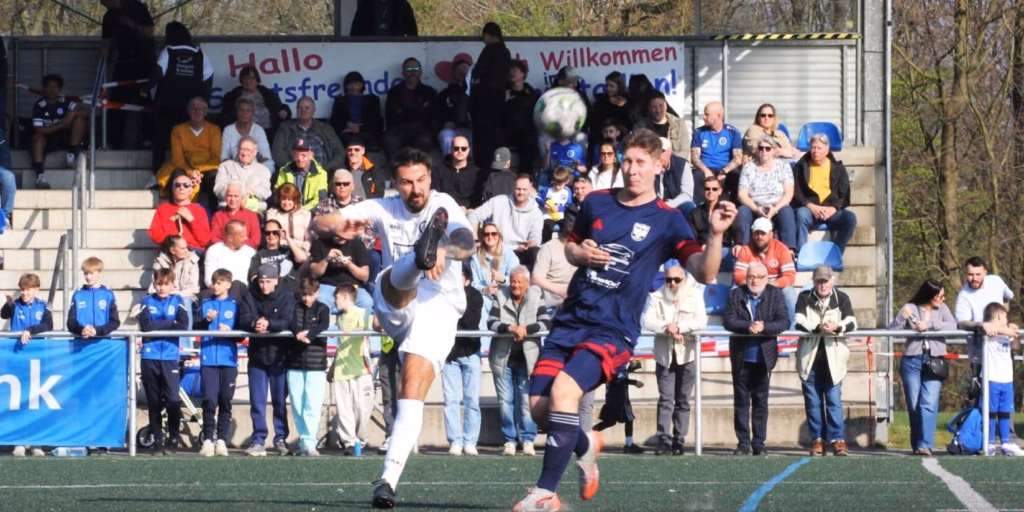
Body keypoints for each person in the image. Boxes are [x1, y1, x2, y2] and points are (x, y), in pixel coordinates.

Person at [512, 128, 735, 511]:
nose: (632, 169)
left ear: (659, 165)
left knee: (565, 392)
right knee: (540, 410)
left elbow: (705, 272)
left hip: (612, 328)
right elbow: (571, 247)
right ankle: (587, 444)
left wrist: (715, 235)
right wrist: (581, 254)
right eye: (627, 160)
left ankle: (545, 493)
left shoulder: (668, 220)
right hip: (571, 319)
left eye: (640, 162)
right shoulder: (596, 202)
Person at [309, 147, 477, 508]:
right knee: (390, 278)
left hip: (439, 306)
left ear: (430, 178)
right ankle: (418, 258)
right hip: (396, 302)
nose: (415, 189)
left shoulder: (444, 204)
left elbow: (467, 241)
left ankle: (387, 481)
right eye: (406, 182)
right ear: (395, 184)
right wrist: (333, 227)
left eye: (421, 180)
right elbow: (320, 223)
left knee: (411, 384)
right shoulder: (382, 207)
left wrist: (444, 251)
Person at [723, 262, 788, 456]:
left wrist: (764, 327)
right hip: (741, 357)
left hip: (764, 358)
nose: (755, 280)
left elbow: (784, 321)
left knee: (761, 402)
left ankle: (759, 442)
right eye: (751, 276)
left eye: (760, 277)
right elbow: (728, 320)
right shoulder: (736, 294)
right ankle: (743, 443)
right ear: (746, 277)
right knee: (741, 403)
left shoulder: (775, 295)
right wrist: (748, 326)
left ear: (767, 278)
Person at [641, 265, 707, 456]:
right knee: (666, 399)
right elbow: (647, 321)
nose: (672, 283)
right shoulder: (656, 296)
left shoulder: (695, 296)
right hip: (665, 356)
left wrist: (678, 327)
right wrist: (667, 327)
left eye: (676, 280)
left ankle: (679, 439)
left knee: (683, 400)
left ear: (684, 280)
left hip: (688, 355)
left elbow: (701, 322)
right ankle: (663, 439)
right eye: (668, 279)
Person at [794, 264, 857, 457]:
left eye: (826, 281)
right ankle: (817, 440)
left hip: (834, 362)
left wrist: (837, 327)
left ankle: (838, 440)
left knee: (833, 402)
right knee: (813, 403)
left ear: (832, 281)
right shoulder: (804, 297)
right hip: (809, 360)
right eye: (819, 281)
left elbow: (852, 323)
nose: (822, 284)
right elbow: (799, 321)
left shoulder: (842, 298)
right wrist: (818, 327)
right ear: (813, 281)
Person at [888, 279, 956, 456]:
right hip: (912, 361)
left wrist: (930, 325)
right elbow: (892, 330)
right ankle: (917, 442)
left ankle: (925, 445)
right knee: (914, 404)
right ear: (929, 295)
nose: (943, 299)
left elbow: (953, 325)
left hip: (935, 361)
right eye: (940, 296)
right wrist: (902, 316)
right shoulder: (911, 307)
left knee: (929, 402)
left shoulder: (942, 309)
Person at [489, 266, 551, 457]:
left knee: (526, 402)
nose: (515, 285)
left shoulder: (537, 295)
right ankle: (509, 440)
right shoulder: (500, 295)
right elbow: (491, 322)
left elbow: (545, 322)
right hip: (502, 358)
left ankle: (528, 439)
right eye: (512, 281)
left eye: (519, 282)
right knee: (505, 402)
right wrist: (510, 328)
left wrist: (525, 329)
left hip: (528, 359)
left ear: (527, 283)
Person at [240, 264, 295, 456]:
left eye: (268, 282)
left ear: (276, 281)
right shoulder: (249, 295)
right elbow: (243, 318)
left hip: (280, 358)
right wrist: (254, 323)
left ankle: (281, 439)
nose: (264, 286)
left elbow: (287, 320)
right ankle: (258, 440)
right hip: (257, 357)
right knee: (257, 402)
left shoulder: (287, 296)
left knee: (279, 402)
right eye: (261, 282)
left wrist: (269, 324)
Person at [151, 22, 214, 177]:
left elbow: (158, 72)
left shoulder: (168, 50)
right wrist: (204, 99)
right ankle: (187, 174)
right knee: (187, 141)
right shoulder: (199, 53)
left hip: (166, 103)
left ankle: (158, 174)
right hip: (190, 106)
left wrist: (146, 89)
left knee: (160, 140)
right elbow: (208, 75)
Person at [138, 268, 189, 455]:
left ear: (172, 285)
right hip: (149, 356)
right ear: (154, 284)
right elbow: (145, 326)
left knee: (173, 400)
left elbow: (183, 325)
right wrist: (169, 323)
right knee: (154, 401)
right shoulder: (146, 301)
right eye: (159, 284)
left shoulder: (178, 301)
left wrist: (158, 327)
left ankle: (173, 438)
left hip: (170, 356)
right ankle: (158, 441)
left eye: (166, 284)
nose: (162, 288)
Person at [2, 273, 53, 458]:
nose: (24, 293)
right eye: (22, 290)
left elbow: (48, 325)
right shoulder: (15, 305)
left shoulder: (43, 306)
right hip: (17, 359)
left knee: (36, 400)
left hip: (38, 359)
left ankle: (36, 442)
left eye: (28, 289)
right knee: (18, 400)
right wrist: (9, 304)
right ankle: (19, 441)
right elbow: (3, 314)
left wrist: (30, 330)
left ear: (36, 289)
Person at [194, 268, 240, 458]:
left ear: (228, 284)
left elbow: (241, 332)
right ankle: (207, 440)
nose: (215, 286)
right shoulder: (205, 304)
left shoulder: (235, 306)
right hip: (208, 360)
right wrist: (206, 321)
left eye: (220, 283)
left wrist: (230, 330)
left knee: (225, 400)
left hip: (228, 360)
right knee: (209, 400)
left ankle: (221, 440)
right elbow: (194, 327)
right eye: (214, 282)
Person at [100, 0, 155, 149]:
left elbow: (149, 32)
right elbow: (106, 39)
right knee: (116, 101)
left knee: (145, 100)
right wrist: (105, 49)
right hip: (123, 62)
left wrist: (129, 23)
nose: (101, 3)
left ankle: (148, 139)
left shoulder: (136, 7)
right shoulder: (109, 16)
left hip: (144, 62)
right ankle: (113, 141)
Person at [286, 278, 331, 457]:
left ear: (317, 293)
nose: (306, 299)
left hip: (316, 364)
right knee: (297, 405)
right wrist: (297, 332)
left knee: (312, 404)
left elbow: (324, 324)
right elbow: (291, 322)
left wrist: (310, 335)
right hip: (294, 363)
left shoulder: (323, 308)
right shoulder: (294, 307)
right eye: (304, 295)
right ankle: (304, 440)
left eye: (310, 295)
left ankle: (310, 441)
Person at [442, 265, 484, 457]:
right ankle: (455, 441)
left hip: (470, 352)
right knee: (450, 400)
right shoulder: (444, 295)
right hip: (449, 354)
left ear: (466, 278)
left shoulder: (475, 296)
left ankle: (470, 441)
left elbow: (470, 322)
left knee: (472, 400)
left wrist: (457, 298)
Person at [330, 283, 375, 455]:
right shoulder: (339, 317)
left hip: (360, 368)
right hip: (341, 369)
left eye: (336, 297)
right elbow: (341, 344)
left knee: (362, 409)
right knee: (344, 410)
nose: (334, 301)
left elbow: (364, 328)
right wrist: (332, 367)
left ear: (345, 297)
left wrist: (352, 330)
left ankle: (360, 440)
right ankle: (349, 442)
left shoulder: (362, 312)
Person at [791, 133, 856, 253]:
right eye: (813, 147)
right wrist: (812, 207)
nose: (815, 151)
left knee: (850, 218)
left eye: (819, 148)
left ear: (827, 150)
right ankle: (801, 254)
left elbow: (845, 195)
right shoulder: (801, 167)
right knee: (801, 214)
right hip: (809, 209)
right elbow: (796, 192)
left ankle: (835, 253)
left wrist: (833, 208)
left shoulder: (838, 168)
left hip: (830, 210)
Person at [155, 98, 222, 211]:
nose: (197, 112)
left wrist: (197, 172)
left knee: (214, 176)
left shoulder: (214, 130)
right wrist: (191, 172)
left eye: (200, 109)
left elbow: (216, 157)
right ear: (188, 112)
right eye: (194, 109)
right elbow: (178, 159)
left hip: (206, 170)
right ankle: (175, 211)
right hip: (185, 168)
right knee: (178, 175)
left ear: (205, 112)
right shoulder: (178, 130)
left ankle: (215, 214)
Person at [469, 174, 544, 269]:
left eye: (524, 189)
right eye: (518, 189)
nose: (521, 192)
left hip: (520, 251)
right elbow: (473, 215)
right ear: (513, 187)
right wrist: (475, 239)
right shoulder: (499, 201)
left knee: (536, 252)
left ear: (531, 189)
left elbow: (536, 236)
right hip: (497, 248)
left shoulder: (536, 212)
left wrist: (528, 245)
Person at [977, 303, 1024, 456]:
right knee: (991, 411)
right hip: (992, 378)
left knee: (1005, 411)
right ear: (999, 316)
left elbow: (1016, 346)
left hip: (1007, 379)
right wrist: (1007, 330)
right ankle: (989, 442)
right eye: (1005, 316)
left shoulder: (1006, 333)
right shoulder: (989, 329)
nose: (1007, 319)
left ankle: (1005, 443)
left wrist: (1015, 332)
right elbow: (992, 329)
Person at [469, 220, 518, 363]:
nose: (490, 237)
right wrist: (485, 289)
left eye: (493, 234)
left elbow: (519, 280)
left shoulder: (509, 255)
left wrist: (503, 280)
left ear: (499, 236)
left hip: (506, 295)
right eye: (486, 234)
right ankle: (484, 349)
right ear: (482, 237)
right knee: (481, 301)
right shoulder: (476, 258)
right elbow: (474, 283)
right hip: (485, 297)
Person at [736, 136, 797, 250]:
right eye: (761, 148)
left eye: (768, 148)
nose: (764, 151)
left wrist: (775, 209)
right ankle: (743, 249)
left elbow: (789, 193)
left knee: (787, 211)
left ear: (774, 150)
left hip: (777, 206)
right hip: (754, 207)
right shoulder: (748, 167)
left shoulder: (783, 166)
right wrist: (756, 209)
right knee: (742, 210)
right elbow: (742, 194)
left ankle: (789, 251)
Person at [733, 217, 798, 325]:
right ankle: (739, 326)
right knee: (735, 290)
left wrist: (773, 283)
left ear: (771, 234)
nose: (759, 237)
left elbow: (790, 277)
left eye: (763, 233)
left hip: (774, 287)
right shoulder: (746, 249)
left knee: (789, 293)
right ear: (752, 234)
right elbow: (738, 276)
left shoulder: (782, 249)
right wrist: (754, 285)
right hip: (751, 286)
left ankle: (792, 331)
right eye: (756, 233)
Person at [32, 74, 87, 188]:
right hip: (47, 137)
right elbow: (39, 129)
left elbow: (87, 112)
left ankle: (72, 155)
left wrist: (73, 113)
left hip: (64, 137)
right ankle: (40, 176)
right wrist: (61, 124)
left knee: (79, 119)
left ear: (60, 89)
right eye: (49, 86)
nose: (52, 90)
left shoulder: (64, 101)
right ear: (44, 88)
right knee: (37, 139)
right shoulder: (40, 105)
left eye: (55, 86)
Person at [471, 22, 511, 165]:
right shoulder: (506, 51)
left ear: (488, 35)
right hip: (499, 98)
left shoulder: (489, 50)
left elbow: (477, 72)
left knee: (483, 138)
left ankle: (482, 165)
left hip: (484, 99)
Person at [954, 256, 1014, 351]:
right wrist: (982, 325)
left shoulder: (996, 281)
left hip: (1004, 346)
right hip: (981, 349)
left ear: (985, 272)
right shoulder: (963, 296)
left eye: (978, 274)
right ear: (965, 273)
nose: (974, 278)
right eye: (970, 274)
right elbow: (961, 323)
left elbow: (1007, 296)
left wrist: (1006, 318)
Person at [309, 223, 373, 311]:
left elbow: (365, 276)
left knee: (366, 302)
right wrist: (326, 259)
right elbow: (313, 273)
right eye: (338, 234)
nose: (341, 237)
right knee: (321, 300)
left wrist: (349, 265)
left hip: (352, 287)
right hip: (327, 286)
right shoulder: (320, 242)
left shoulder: (357, 244)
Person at [272, 96, 345, 172]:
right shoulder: (285, 128)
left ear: (314, 110)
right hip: (294, 172)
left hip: (326, 171)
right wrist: (292, 168)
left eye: (307, 108)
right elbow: (277, 151)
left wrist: (325, 169)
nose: (303, 111)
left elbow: (339, 152)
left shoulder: (326, 128)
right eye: (300, 108)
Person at [219, 66, 291, 141]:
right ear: (241, 81)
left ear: (257, 80)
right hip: (245, 134)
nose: (248, 82)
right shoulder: (233, 96)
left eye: (251, 78)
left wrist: (285, 111)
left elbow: (281, 107)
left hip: (269, 132)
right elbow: (225, 117)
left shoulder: (267, 93)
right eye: (245, 79)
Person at [383, 58, 436, 159]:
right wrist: (417, 112)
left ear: (420, 72)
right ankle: (396, 168)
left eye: (415, 69)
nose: (412, 72)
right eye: (408, 69)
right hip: (398, 129)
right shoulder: (394, 92)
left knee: (424, 141)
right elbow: (390, 116)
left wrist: (404, 112)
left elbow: (429, 116)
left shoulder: (429, 92)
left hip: (422, 129)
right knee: (390, 140)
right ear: (403, 72)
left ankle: (419, 168)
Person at [690, 101, 743, 200]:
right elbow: (694, 158)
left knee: (736, 176)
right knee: (696, 175)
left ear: (718, 116)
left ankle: (734, 205)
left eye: (707, 114)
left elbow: (738, 158)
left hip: (725, 168)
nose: (704, 117)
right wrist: (706, 170)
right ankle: (697, 206)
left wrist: (724, 172)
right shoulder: (699, 132)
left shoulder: (733, 132)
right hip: (705, 168)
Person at [149, 169, 211, 251]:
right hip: (171, 251)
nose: (181, 188)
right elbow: (156, 238)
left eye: (186, 185)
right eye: (177, 185)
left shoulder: (199, 210)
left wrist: (191, 220)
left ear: (191, 190)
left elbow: (204, 240)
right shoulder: (163, 208)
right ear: (173, 189)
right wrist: (172, 219)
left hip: (192, 250)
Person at [150, 234, 201, 335]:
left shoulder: (192, 260)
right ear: (173, 250)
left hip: (187, 296)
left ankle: (186, 340)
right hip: (165, 295)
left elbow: (194, 288)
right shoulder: (160, 263)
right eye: (182, 248)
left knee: (184, 301)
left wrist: (177, 294)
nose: (186, 250)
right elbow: (154, 286)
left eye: (186, 247)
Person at [591, 361, 645, 454]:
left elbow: (618, 377)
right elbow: (619, 379)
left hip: (612, 398)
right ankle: (629, 444)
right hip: (620, 400)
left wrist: (629, 370)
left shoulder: (615, 364)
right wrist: (635, 382)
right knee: (628, 419)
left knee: (610, 421)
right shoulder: (618, 363)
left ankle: (590, 433)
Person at [532, 212, 578, 309]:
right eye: (569, 222)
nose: (571, 224)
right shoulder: (549, 247)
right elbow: (537, 278)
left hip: (574, 294)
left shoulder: (582, 250)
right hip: (550, 293)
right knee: (533, 292)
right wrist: (560, 291)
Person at [214, 136, 273, 213]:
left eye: (248, 150)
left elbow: (266, 192)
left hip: (254, 210)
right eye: (242, 149)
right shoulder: (225, 166)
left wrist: (253, 191)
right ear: (237, 150)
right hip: (228, 208)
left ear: (255, 152)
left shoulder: (263, 170)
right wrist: (241, 191)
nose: (244, 153)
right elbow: (218, 189)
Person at [68, 257, 121, 339]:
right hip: (81, 343)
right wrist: (82, 330)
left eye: (91, 273)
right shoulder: (78, 295)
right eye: (86, 273)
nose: (88, 277)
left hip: (103, 343)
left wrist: (97, 331)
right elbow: (71, 322)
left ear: (100, 273)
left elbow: (115, 322)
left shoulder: (108, 295)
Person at [329, 71, 384, 151]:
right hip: (347, 133)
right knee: (350, 140)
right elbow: (334, 121)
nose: (353, 87)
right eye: (350, 84)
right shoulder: (340, 101)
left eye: (356, 84)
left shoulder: (372, 100)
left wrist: (359, 128)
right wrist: (347, 124)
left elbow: (376, 121)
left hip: (367, 132)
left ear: (361, 85)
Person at [248, 219, 306, 293]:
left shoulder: (289, 250)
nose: (271, 235)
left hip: (292, 292)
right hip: (270, 294)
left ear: (280, 233)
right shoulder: (258, 255)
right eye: (267, 233)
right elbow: (254, 278)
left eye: (275, 232)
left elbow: (302, 258)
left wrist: (288, 238)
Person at [503, 60, 540, 176]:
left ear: (523, 73)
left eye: (515, 70)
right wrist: (502, 101)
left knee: (529, 142)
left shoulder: (530, 93)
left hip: (525, 133)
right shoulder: (503, 92)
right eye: (510, 70)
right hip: (507, 132)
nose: (512, 72)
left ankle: (524, 177)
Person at [687, 176, 742, 250]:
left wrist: (738, 244)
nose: (710, 191)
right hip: (702, 250)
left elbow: (738, 230)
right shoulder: (694, 213)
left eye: (714, 189)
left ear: (720, 191)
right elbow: (692, 236)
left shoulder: (727, 210)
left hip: (724, 248)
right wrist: (701, 245)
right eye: (707, 189)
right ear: (702, 191)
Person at [220, 97, 275, 172]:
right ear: (237, 111)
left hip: (255, 168)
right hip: (235, 167)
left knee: (270, 164)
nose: (244, 113)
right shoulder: (228, 130)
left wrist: (251, 168)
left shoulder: (258, 130)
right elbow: (224, 156)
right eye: (242, 110)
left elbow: (266, 156)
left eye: (248, 110)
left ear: (252, 113)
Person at [274, 138, 329, 211]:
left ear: (311, 155)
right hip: (286, 210)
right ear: (293, 155)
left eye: (303, 155)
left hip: (310, 212)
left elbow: (321, 199)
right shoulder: (284, 171)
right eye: (297, 155)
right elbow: (276, 195)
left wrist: (302, 211)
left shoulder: (321, 174)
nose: (300, 159)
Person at [588, 72, 631, 163]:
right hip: (602, 134)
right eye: (607, 85)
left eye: (612, 86)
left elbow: (628, 122)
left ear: (619, 86)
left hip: (619, 136)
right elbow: (594, 121)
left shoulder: (627, 102)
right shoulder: (601, 100)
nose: (608, 89)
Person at [436, 54, 473, 156]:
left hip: (471, 129)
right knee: (446, 135)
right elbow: (437, 113)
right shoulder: (445, 94)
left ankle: (472, 165)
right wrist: (445, 122)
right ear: (453, 73)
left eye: (465, 69)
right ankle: (449, 163)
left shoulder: (478, 92)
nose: (462, 72)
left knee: (479, 136)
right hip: (453, 129)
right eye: (458, 70)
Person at [203, 220, 256, 291]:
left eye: (246, 235)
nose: (246, 238)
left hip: (243, 291)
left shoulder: (250, 252)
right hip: (220, 291)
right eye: (242, 236)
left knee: (237, 284)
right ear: (230, 238)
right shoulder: (214, 250)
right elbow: (209, 279)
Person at [433, 135, 480, 209]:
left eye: (463, 148)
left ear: (469, 150)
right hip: (444, 209)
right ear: (451, 149)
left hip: (469, 211)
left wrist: (466, 207)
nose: (460, 151)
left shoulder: (477, 172)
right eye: (456, 148)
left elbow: (478, 197)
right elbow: (435, 194)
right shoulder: (438, 170)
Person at [636, 92, 688, 159]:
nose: (658, 110)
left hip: (675, 162)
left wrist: (669, 161)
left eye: (660, 106)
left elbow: (684, 151)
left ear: (666, 106)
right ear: (649, 108)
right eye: (654, 107)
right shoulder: (641, 127)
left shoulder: (679, 124)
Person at [210, 182, 261, 249]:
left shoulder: (251, 216)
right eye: (229, 195)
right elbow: (214, 238)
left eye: (236, 196)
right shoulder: (218, 215)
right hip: (223, 251)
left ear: (241, 197)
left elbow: (255, 241)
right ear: (225, 197)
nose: (233, 199)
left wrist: (235, 244)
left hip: (244, 251)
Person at [265, 183, 313, 253]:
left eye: (289, 199)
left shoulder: (305, 213)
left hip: (301, 249)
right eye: (283, 199)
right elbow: (272, 235)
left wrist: (304, 249)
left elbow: (309, 238)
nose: (286, 203)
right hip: (280, 249)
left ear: (295, 200)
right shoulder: (272, 213)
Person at [339, 134, 387, 199]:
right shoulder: (341, 170)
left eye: (357, 149)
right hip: (347, 204)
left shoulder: (372, 169)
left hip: (367, 204)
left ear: (363, 151)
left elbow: (380, 192)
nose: (353, 152)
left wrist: (366, 203)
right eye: (350, 150)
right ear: (346, 151)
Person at [656, 137, 695, 211]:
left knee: (689, 206)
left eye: (662, 151)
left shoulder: (682, 165)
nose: (659, 155)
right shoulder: (650, 166)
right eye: (656, 152)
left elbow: (687, 194)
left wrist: (668, 205)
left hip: (677, 204)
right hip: (657, 205)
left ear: (670, 151)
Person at [538, 167, 572, 242]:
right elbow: (538, 198)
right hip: (548, 215)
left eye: (560, 185)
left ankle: (562, 242)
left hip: (559, 215)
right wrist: (544, 205)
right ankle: (546, 243)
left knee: (567, 224)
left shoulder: (567, 191)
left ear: (566, 181)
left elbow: (568, 204)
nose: (557, 187)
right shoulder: (547, 189)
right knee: (547, 226)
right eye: (555, 184)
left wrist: (559, 208)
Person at [349, 0, 418, 36]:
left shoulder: (402, 5)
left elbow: (412, 32)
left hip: (396, 49)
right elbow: (355, 32)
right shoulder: (365, 5)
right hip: (369, 50)